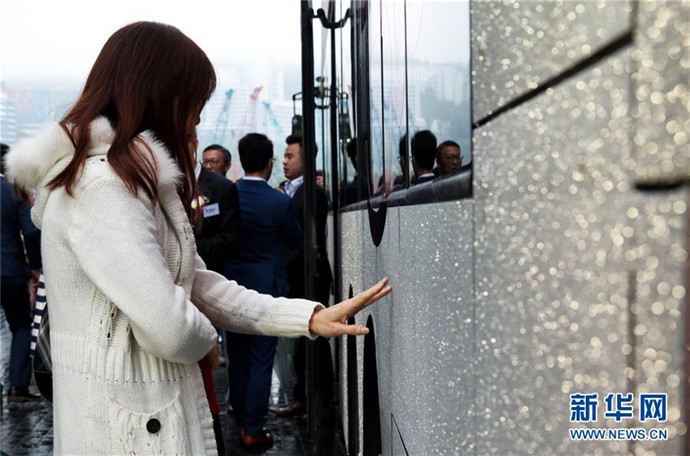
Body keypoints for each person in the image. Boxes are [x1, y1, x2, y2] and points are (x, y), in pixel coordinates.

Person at [4, 22, 390, 456]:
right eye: (194, 101)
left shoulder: (129, 181)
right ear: (160, 97)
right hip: (128, 433)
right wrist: (206, 342)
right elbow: (171, 329)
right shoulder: (104, 188)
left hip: (136, 422)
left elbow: (198, 284)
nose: (198, 117)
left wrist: (307, 318)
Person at [224, 133, 302, 447]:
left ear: (241, 161)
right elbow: (294, 241)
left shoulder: (229, 196)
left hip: (229, 288)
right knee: (261, 358)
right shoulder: (280, 201)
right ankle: (253, 428)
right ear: (270, 163)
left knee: (238, 356)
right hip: (267, 288)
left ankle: (242, 417)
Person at [271, 135, 333, 420]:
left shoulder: (314, 193)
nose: (284, 161)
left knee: (316, 340)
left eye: (290, 156)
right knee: (302, 337)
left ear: (306, 160)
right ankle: (302, 398)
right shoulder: (293, 191)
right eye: (284, 156)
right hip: (296, 274)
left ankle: (320, 403)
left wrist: (282, 264)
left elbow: (310, 240)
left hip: (310, 275)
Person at [189, 136, 241, 455]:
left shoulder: (220, 188)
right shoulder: (159, 186)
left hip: (210, 280)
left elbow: (231, 236)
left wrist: (188, 252)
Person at [0, 143, 42, 402]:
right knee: (20, 326)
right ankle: (18, 387)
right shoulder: (14, 192)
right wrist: (35, 267)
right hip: (11, 271)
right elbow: (32, 231)